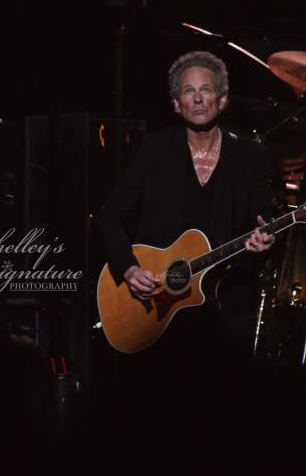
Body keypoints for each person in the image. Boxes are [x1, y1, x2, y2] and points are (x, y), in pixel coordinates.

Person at [93, 51, 277, 446]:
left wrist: (264, 240)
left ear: (222, 100)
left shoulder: (251, 155)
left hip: (227, 301)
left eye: (206, 90)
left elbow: (262, 220)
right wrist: (128, 268)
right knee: (156, 418)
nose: (197, 98)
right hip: (159, 300)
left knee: (227, 418)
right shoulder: (154, 150)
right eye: (188, 92)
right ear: (176, 104)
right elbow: (109, 217)